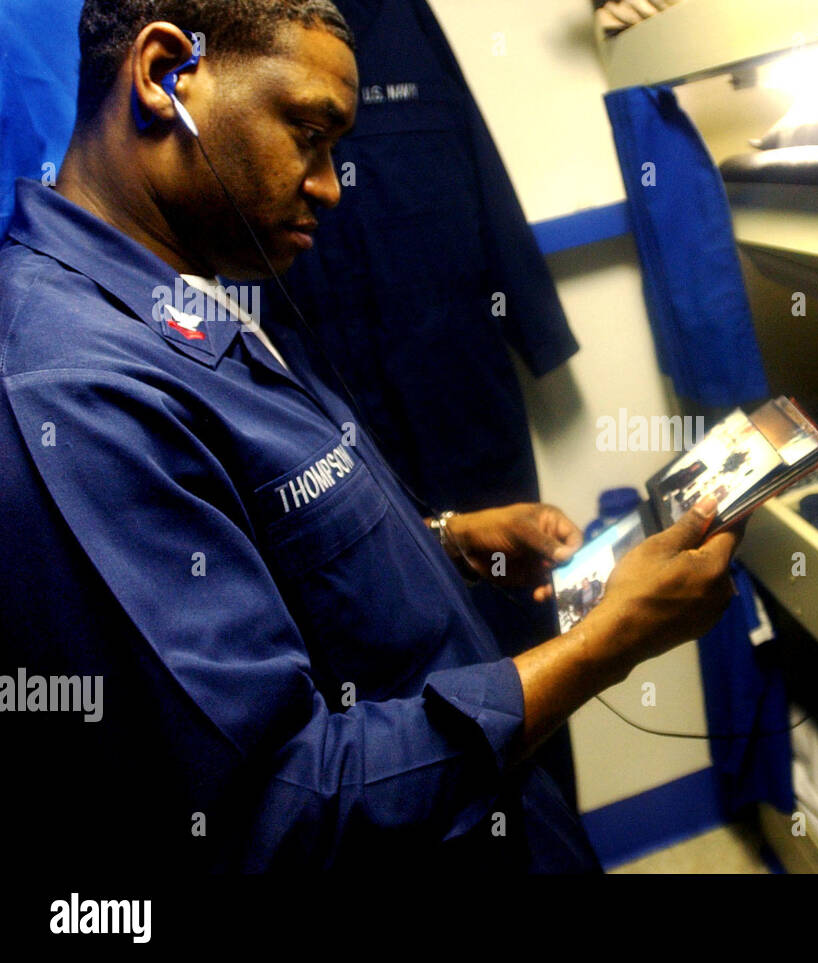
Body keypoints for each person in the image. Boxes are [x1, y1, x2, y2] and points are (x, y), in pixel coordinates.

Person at [0, 0, 740, 872]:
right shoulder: (71, 393)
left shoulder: (181, 291)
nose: (329, 185)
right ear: (167, 75)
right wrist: (605, 644)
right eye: (308, 134)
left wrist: (451, 543)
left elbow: (264, 549)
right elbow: (282, 805)